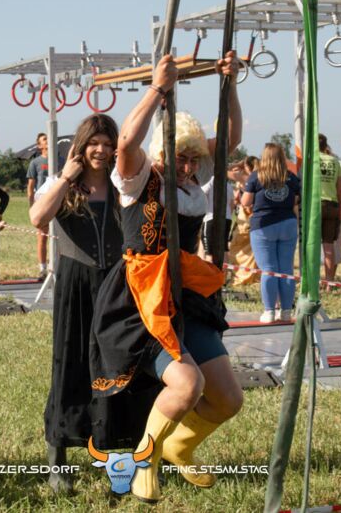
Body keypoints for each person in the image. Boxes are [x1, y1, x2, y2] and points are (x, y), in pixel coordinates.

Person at [90, 52, 244, 503]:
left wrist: (230, 84)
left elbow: (230, 139)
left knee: (228, 399)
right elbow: (125, 144)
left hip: (185, 292)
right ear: (163, 152)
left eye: (194, 159)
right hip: (142, 296)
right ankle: (145, 461)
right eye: (182, 157)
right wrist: (157, 89)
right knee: (188, 384)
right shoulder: (141, 177)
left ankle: (179, 446)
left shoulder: (193, 184)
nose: (190, 166)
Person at [30, 114, 157, 493]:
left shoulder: (123, 184)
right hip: (75, 283)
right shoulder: (62, 184)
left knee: (119, 366)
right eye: (94, 143)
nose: (100, 150)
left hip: (117, 285)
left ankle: (120, 452)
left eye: (107, 143)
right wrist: (66, 177)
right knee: (69, 364)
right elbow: (38, 218)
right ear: (81, 147)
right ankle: (58, 459)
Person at [241, 143, 301, 323]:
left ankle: (269, 311)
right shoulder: (291, 177)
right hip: (288, 223)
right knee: (286, 269)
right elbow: (296, 199)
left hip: (263, 225)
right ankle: (286, 311)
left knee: (269, 269)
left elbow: (245, 202)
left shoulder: (256, 176)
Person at [227, 157, 259, 286]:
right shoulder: (260, 177)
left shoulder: (247, 178)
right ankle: (249, 276)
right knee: (250, 250)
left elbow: (222, 170)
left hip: (245, 218)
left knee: (237, 248)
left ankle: (242, 276)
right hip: (251, 217)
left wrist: (236, 164)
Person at [318, 134, 341, 285]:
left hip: (316, 206)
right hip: (332, 205)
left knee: (313, 246)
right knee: (329, 246)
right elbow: (340, 189)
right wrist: (340, 209)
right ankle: (329, 281)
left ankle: (314, 280)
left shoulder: (311, 160)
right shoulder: (335, 161)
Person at [27, 133, 52, 280]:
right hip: (42, 202)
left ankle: (56, 265)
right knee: (42, 237)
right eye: (44, 139)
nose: (48, 141)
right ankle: (42, 268)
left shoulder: (61, 160)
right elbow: (30, 186)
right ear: (39, 145)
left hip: (59, 202)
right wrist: (32, 206)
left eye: (49, 138)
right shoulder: (35, 162)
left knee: (60, 238)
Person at [200, 173, 234, 265]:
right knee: (224, 249)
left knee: (209, 252)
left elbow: (201, 194)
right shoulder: (228, 185)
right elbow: (232, 204)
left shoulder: (210, 180)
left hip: (210, 218)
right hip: (227, 219)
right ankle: (224, 273)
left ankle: (210, 273)